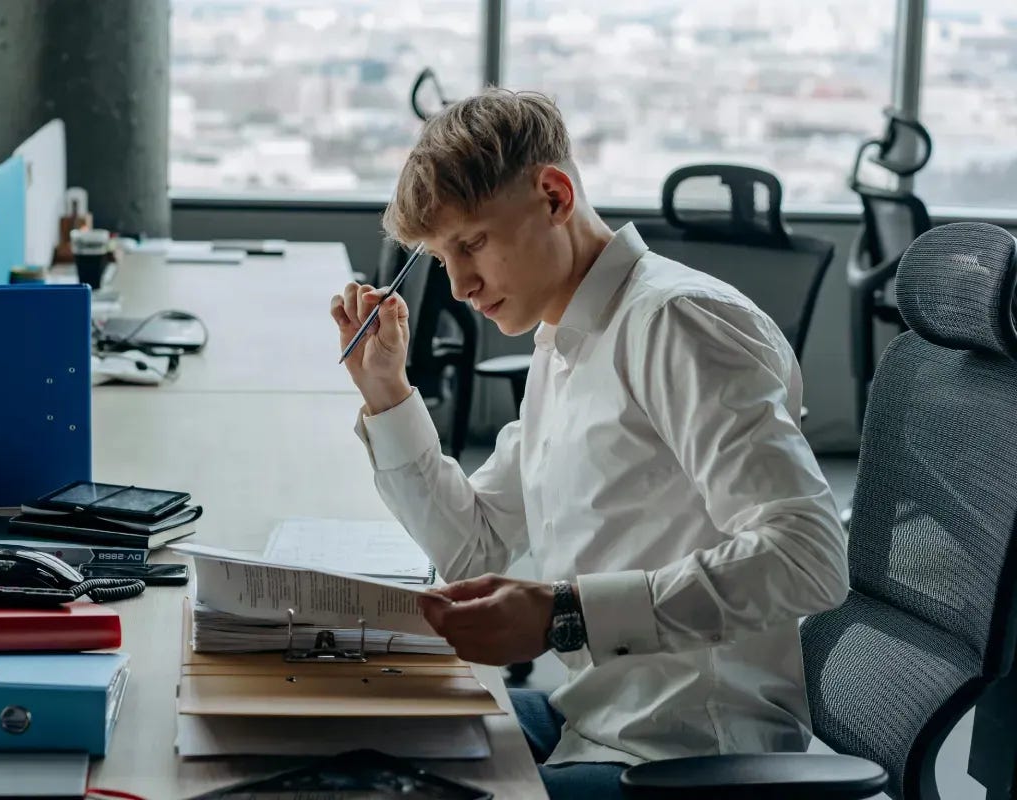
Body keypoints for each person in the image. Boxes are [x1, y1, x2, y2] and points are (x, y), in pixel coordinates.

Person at [330, 88, 848, 799]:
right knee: (338, 740)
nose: (462, 287)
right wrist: (388, 392)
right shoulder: (563, 337)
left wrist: (564, 613)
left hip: (685, 753)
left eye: (473, 242)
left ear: (553, 196)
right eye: (442, 258)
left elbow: (808, 556)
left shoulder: (676, 323)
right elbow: (472, 547)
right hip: (595, 718)